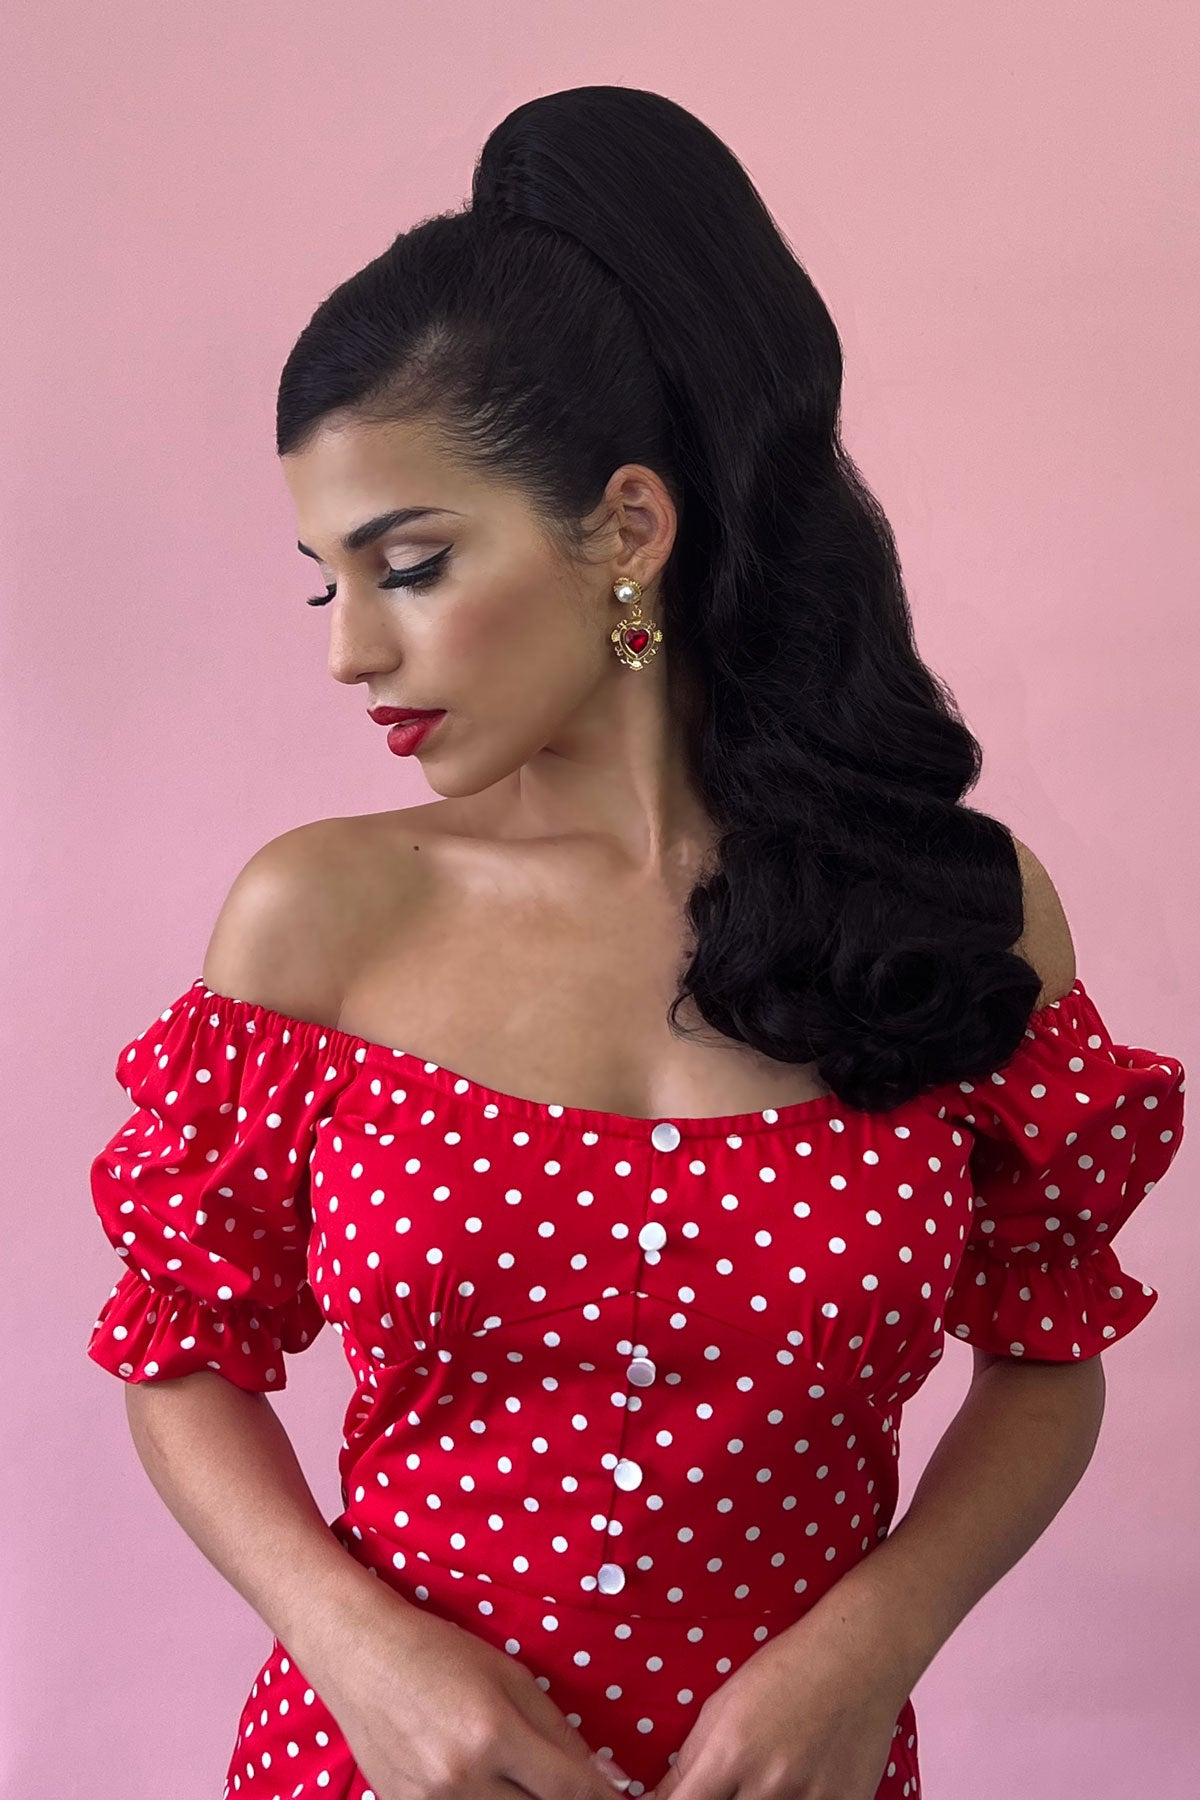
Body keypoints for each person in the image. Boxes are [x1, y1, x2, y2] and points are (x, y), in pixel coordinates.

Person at [84, 86, 1187, 1800]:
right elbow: (176, 1354)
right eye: (326, 582)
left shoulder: (949, 910)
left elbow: (1048, 1353)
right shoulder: (320, 919)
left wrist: (873, 1643)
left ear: (627, 528)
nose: (351, 655)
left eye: (414, 564)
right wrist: (355, 1647)